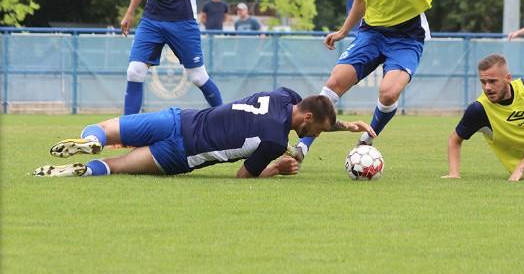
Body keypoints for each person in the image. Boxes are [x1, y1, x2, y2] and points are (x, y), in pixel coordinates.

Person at [294, 0, 444, 160]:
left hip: (407, 34)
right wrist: (343, 31)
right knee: (333, 83)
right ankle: (302, 147)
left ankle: (367, 138)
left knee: (388, 92)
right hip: (372, 32)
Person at [33, 87, 375, 178]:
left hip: (180, 119)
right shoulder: (273, 142)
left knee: (108, 128)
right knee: (118, 165)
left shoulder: (283, 96)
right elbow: (244, 174)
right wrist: (276, 168)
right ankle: (83, 170)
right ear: (308, 118)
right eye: (312, 130)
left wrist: (342, 126)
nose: (308, 135)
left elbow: (308, 111)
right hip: (179, 156)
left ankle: (90, 140)